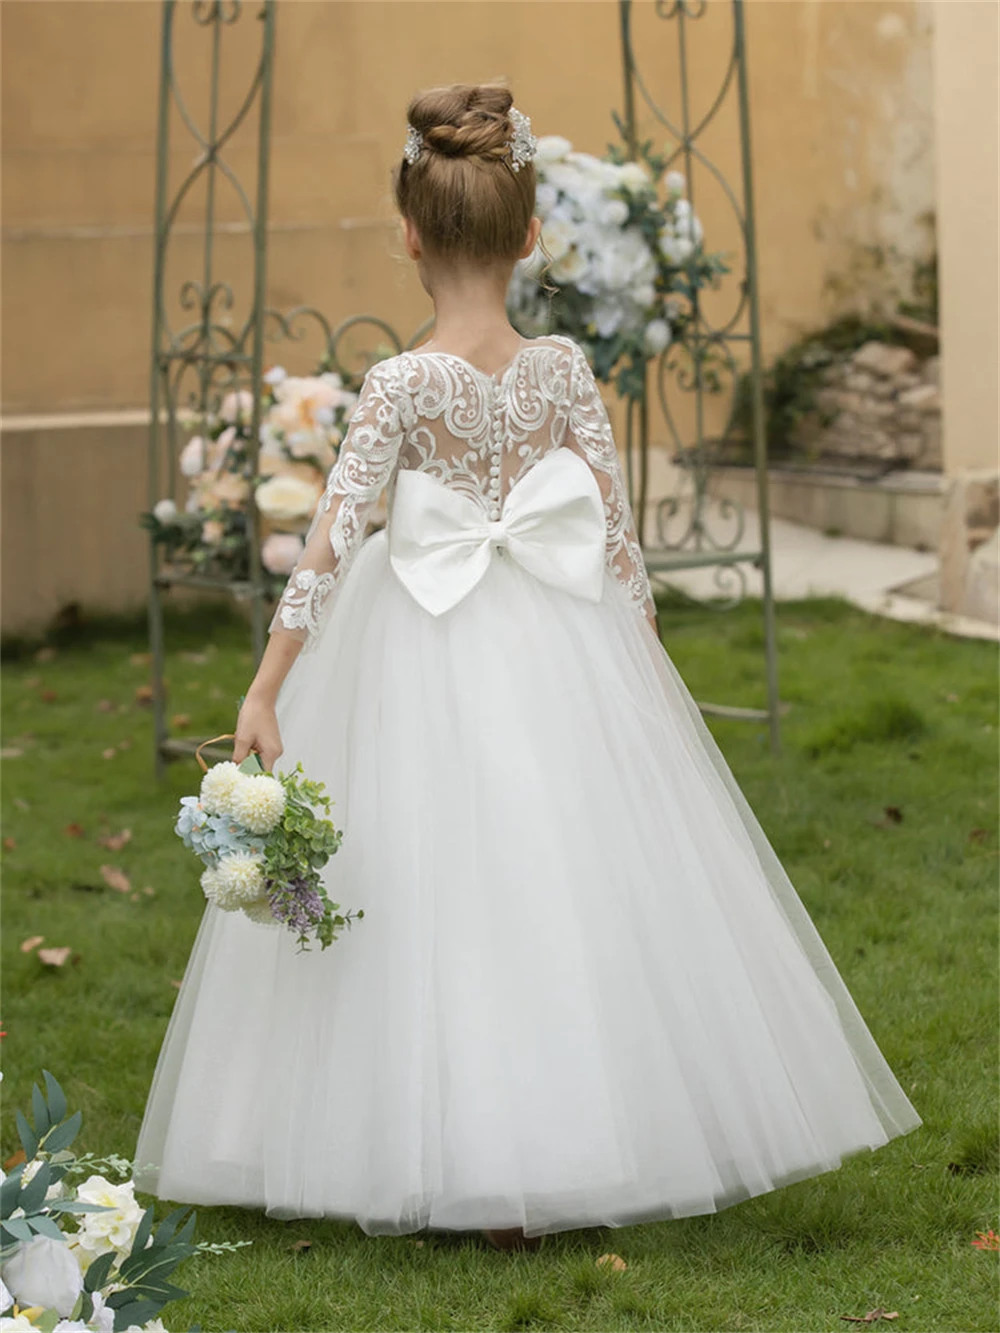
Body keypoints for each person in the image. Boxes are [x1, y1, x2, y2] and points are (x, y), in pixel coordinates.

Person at [132, 82, 921, 1255]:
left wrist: (264, 686)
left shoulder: (401, 383)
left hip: (419, 637)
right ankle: (570, 1135)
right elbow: (616, 545)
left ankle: (446, 1145)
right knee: (558, 878)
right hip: (561, 636)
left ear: (407, 233)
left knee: (436, 877)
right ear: (530, 234)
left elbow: (331, 545)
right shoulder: (560, 369)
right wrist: (639, 675)